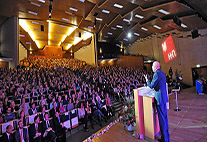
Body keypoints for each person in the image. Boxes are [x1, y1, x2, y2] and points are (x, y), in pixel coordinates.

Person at [144, 61, 170, 142]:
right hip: (163, 98)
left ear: (155, 67)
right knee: (165, 119)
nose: (151, 68)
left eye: (152, 66)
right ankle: (166, 137)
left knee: (162, 120)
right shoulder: (162, 73)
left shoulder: (156, 74)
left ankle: (165, 139)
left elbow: (151, 86)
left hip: (160, 100)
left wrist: (147, 80)